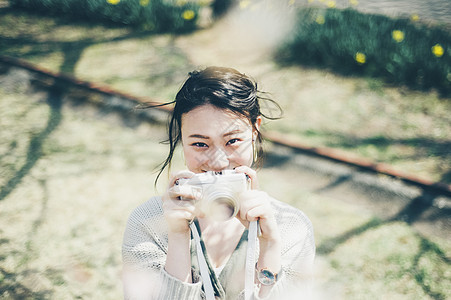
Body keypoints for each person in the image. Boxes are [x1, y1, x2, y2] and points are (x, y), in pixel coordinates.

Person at [122, 66, 315, 300]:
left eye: (232, 140)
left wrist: (270, 245)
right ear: (182, 139)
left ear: (255, 130)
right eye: (200, 144)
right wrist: (178, 237)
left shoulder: (291, 226)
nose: (218, 161)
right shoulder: (147, 223)